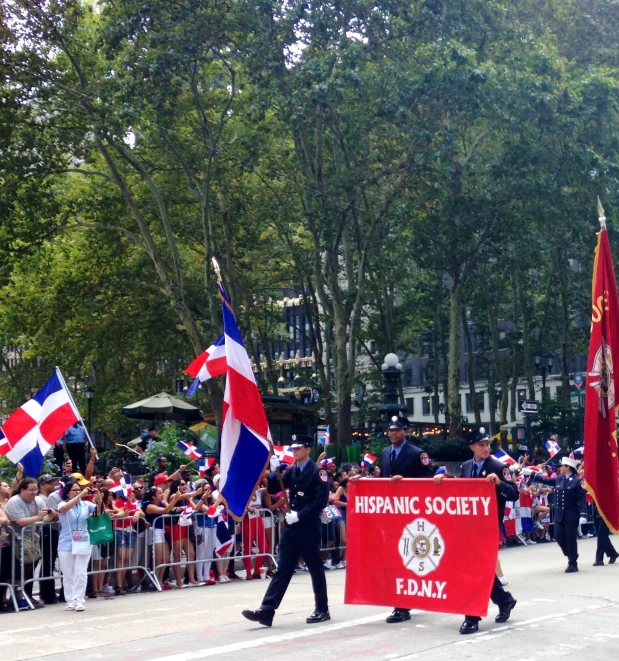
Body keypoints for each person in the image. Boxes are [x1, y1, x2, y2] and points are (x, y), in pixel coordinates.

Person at [435, 427, 518, 634]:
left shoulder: (499, 467)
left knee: (474, 571)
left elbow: (514, 494)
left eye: (487, 444)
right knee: (480, 571)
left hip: (488, 527)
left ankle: (472, 616)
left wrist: (499, 484)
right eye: (480, 445)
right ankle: (505, 600)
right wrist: (444, 481)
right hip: (469, 527)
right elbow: (463, 491)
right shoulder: (465, 466)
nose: (485, 448)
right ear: (472, 446)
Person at [242, 434, 330, 627]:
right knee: (283, 569)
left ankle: (322, 609)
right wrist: (274, 471)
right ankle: (267, 611)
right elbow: (273, 488)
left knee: (315, 569)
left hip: (307, 526)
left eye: (298, 447)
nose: (295, 451)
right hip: (292, 528)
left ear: (308, 449)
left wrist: (300, 515)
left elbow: (320, 501)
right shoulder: (292, 470)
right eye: (293, 448)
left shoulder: (318, 472)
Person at [377, 415, 434, 624]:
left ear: (405, 431)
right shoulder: (385, 453)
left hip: (412, 516)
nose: (393, 433)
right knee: (394, 560)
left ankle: (403, 604)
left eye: (397, 430)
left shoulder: (418, 454)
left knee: (410, 560)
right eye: (390, 430)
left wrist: (406, 482)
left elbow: (428, 482)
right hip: (391, 515)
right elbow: (382, 479)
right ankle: (401, 602)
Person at [525, 457, 588, 572]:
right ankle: (570, 553)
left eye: (562, 466)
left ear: (568, 467)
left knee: (570, 538)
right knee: (558, 535)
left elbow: (582, 498)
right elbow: (546, 481)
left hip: (571, 514)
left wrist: (583, 514)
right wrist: (533, 474)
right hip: (559, 515)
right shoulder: (559, 478)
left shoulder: (577, 481)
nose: (560, 468)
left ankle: (572, 563)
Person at [4, 477, 53, 608]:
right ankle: (16, 597)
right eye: (30, 490)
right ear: (22, 490)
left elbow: (46, 517)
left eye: (35, 490)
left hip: (33, 538)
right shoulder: (14, 502)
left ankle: (27, 595)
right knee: (18, 570)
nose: (34, 493)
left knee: (31, 568)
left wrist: (50, 515)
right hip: (17, 539)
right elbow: (20, 521)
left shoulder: (38, 500)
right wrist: (38, 517)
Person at [58, 478, 102, 611]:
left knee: (81, 572)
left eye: (79, 489)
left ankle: (80, 600)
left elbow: (99, 512)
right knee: (68, 573)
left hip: (83, 540)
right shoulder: (62, 503)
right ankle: (70, 600)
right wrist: (78, 496)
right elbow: (64, 509)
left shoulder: (86, 504)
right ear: (67, 492)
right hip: (66, 542)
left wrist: (99, 499)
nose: (78, 491)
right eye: (74, 490)